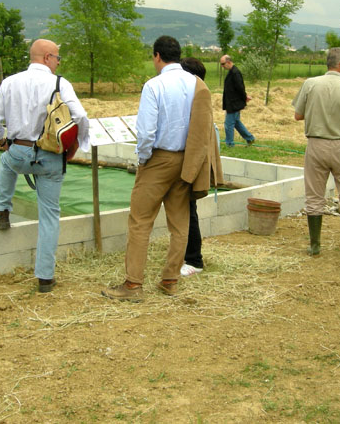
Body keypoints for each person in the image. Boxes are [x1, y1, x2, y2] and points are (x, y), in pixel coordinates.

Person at [102, 37, 217, 300]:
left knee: (141, 222)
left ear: (157, 56)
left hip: (158, 159)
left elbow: (146, 132)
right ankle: (170, 280)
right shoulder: (197, 84)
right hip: (187, 160)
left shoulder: (154, 85)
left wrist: (144, 159)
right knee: (180, 223)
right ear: (178, 55)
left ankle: (133, 285)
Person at [0, 39, 90, 293]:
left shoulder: (9, 82)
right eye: (57, 58)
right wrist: (77, 146)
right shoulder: (59, 83)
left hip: (18, 151)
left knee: (6, 163)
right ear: (47, 58)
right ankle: (45, 278)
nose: (58, 62)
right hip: (50, 157)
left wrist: (3, 142)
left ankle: (1, 211)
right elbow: (81, 116)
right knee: (50, 215)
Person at [292, 47, 340, 262]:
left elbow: (298, 115)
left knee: (314, 196)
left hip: (316, 145)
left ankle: (315, 246)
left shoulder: (310, 84)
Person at [179, 57, 223, 277]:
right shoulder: (194, 94)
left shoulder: (200, 94)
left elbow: (199, 138)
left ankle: (194, 259)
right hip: (191, 162)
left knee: (189, 210)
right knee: (186, 210)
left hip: (194, 164)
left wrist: (189, 172)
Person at [221, 55, 255, 147]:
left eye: (223, 64)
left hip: (234, 103)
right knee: (236, 122)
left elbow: (240, 87)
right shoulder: (231, 72)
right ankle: (250, 138)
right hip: (231, 102)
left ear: (228, 62)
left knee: (228, 124)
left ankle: (229, 144)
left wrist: (244, 97)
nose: (222, 66)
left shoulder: (235, 73)